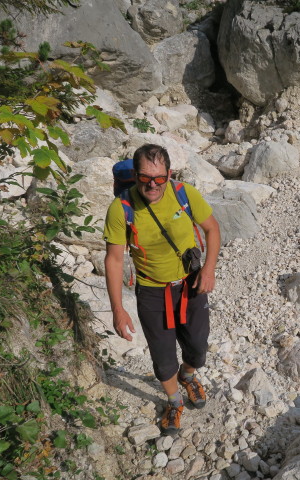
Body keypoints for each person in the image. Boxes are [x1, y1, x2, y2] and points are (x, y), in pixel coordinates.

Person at [103, 144, 220, 435]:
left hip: (190, 283)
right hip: (152, 292)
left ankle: (189, 376)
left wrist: (208, 269)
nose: (152, 185)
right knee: (163, 357)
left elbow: (212, 229)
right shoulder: (122, 209)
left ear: (169, 174)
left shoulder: (184, 194)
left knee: (198, 348)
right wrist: (118, 309)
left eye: (158, 178)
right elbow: (114, 260)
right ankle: (174, 400)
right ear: (136, 175)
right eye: (144, 178)